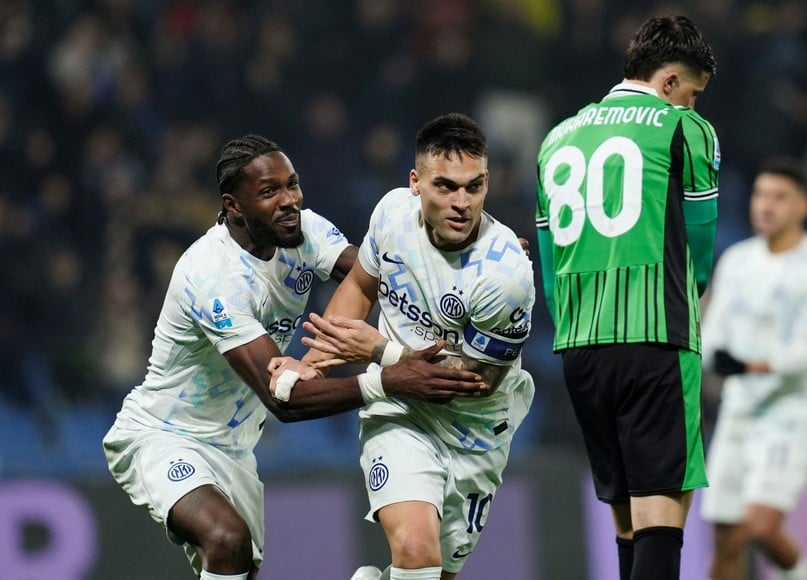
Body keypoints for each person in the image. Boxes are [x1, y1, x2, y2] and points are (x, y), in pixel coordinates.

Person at [102, 134, 487, 580]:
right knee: (225, 539)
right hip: (163, 433)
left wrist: (478, 256)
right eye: (269, 192)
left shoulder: (306, 232)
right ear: (234, 206)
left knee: (237, 563)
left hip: (236, 447)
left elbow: (382, 274)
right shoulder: (211, 278)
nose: (289, 201)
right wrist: (390, 379)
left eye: (293, 185)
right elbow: (285, 400)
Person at [278, 113, 536, 580]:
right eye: (446, 187)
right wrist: (311, 365)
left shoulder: (506, 275)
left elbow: (477, 381)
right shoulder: (392, 216)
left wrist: (382, 352)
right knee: (417, 552)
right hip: (401, 412)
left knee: (435, 574)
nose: (462, 203)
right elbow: (359, 285)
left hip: (477, 431)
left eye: (473, 188)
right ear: (415, 182)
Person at [535, 14, 720, 580]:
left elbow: (549, 266)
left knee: (626, 524)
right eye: (691, 94)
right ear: (668, 83)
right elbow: (702, 245)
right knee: (663, 516)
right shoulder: (682, 129)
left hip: (581, 347)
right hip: (657, 336)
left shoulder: (557, 138)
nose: (693, 106)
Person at [699, 157, 807, 580]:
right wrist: (714, 357)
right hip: (739, 412)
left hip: (790, 415)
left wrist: (745, 364)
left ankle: (799, 573)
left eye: (779, 197)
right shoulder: (738, 262)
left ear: (803, 206)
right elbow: (713, 335)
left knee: (760, 526)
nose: (766, 205)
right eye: (761, 195)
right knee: (726, 536)